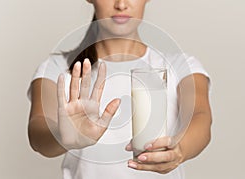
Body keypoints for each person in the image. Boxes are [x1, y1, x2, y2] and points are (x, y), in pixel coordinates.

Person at [27, 0, 212, 178]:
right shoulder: (58, 68)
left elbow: (200, 118)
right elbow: (38, 132)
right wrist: (62, 135)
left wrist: (179, 151)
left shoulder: (181, 66)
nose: (121, 4)